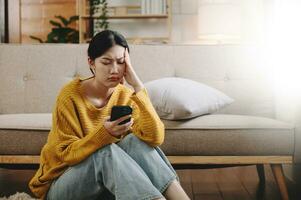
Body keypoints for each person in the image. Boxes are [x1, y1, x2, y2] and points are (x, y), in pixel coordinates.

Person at [28, 29, 190, 200]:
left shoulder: (126, 95)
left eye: (120, 62)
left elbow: (156, 137)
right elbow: (66, 155)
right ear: (91, 63)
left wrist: (137, 85)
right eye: (106, 62)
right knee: (105, 152)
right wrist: (105, 134)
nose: (114, 70)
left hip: (103, 185)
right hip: (60, 184)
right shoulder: (70, 95)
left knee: (135, 142)